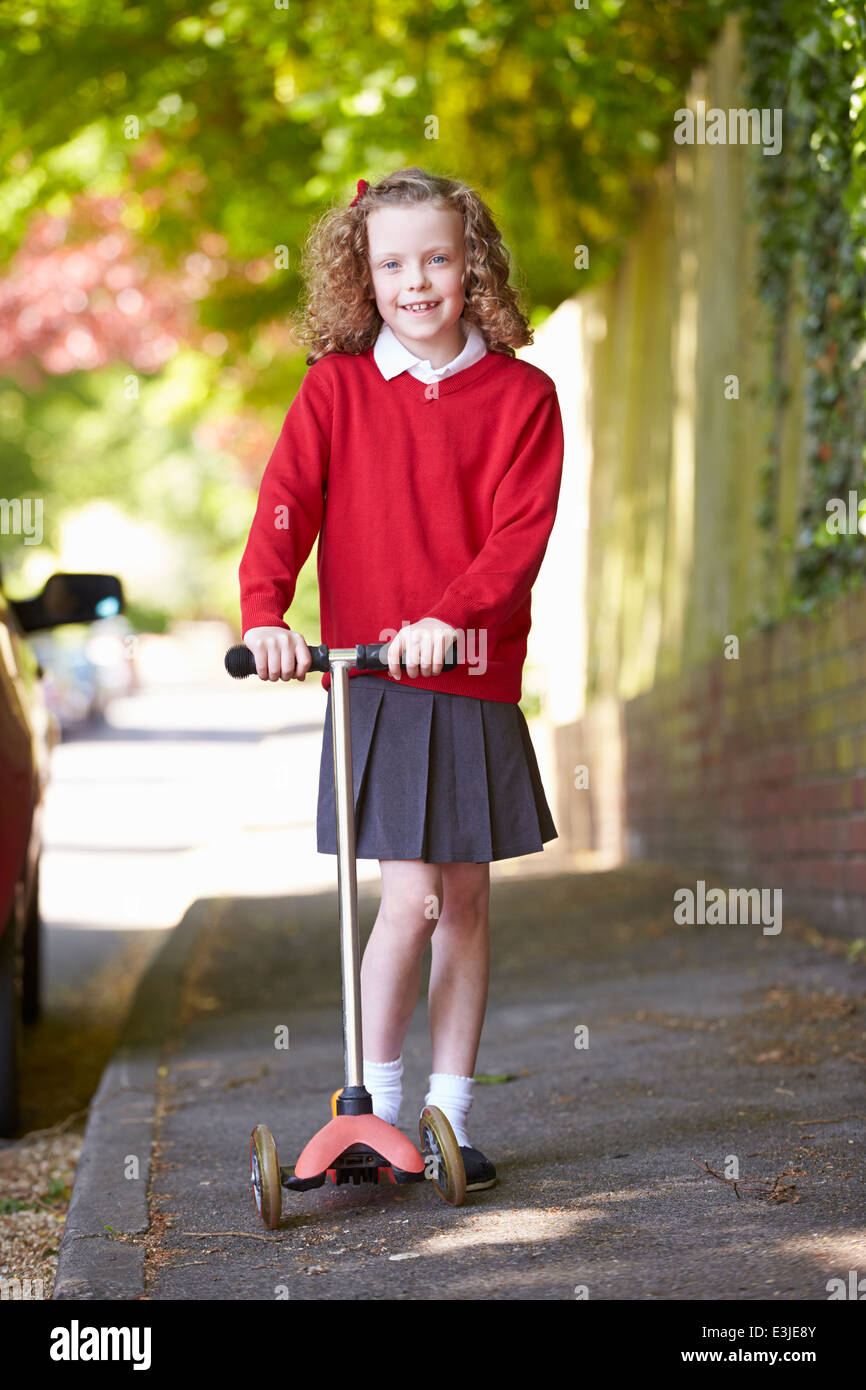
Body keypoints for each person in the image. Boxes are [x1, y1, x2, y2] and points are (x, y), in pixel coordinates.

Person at [239, 167, 564, 1191]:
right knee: (410, 901)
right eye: (391, 264)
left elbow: (519, 536)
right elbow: (286, 503)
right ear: (360, 274)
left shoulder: (522, 395)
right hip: (373, 681)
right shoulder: (334, 388)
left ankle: (450, 1118)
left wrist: (449, 618)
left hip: (464, 673)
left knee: (462, 902)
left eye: (434, 258)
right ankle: (372, 1115)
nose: (415, 282)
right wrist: (266, 615)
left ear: (471, 261)